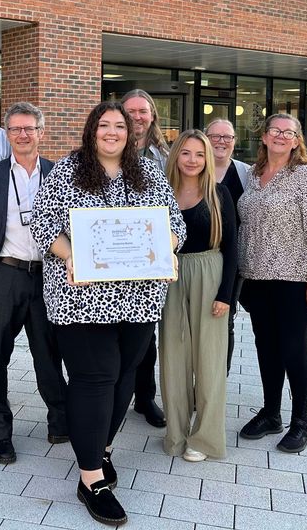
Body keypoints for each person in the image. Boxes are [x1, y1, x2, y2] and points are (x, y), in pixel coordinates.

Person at [30, 101, 185, 526]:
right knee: (94, 379)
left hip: (139, 298)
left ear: (130, 132)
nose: (113, 132)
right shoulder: (67, 170)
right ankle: (91, 479)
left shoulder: (148, 171)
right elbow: (45, 228)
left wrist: (164, 248)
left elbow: (176, 225)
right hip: (82, 298)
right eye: (104, 125)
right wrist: (73, 256)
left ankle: (101, 446)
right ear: (91, 130)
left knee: (124, 378)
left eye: (120, 125)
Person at [0, 102, 68, 466]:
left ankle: (60, 422)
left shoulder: (59, 175)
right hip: (3, 277)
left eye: (30, 129)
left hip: (48, 277)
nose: (23, 135)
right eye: (16, 129)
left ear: (42, 133)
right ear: (6, 134)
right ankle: (0, 435)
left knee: (50, 356)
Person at [236, 113, 307, 454]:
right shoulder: (252, 175)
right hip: (256, 279)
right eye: (274, 130)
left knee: (294, 349)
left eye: (288, 132)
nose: (280, 136)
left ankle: (302, 422)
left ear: (296, 141)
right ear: (263, 136)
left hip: (294, 280)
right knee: (266, 348)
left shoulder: (305, 177)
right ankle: (271, 413)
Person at [160, 129, 237, 462]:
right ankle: (176, 433)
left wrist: (226, 295)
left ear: (208, 158)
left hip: (209, 274)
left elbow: (233, 249)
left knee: (209, 360)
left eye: (200, 154)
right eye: (186, 153)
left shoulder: (219, 194)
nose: (193, 160)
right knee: (174, 359)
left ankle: (204, 438)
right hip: (170, 277)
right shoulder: (160, 193)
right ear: (176, 155)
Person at [120, 88, 169, 428]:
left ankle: (145, 397)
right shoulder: (103, 148)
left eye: (143, 111)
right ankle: (113, 394)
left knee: (145, 334)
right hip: (110, 255)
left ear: (152, 115)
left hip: (148, 257)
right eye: (131, 111)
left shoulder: (165, 157)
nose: (137, 116)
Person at [206, 119, 251, 375]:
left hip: (232, 260)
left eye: (228, 137)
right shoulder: (194, 167)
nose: (222, 141)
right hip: (197, 256)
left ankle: (218, 380)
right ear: (205, 137)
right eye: (215, 136)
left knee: (225, 320)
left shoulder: (246, 173)